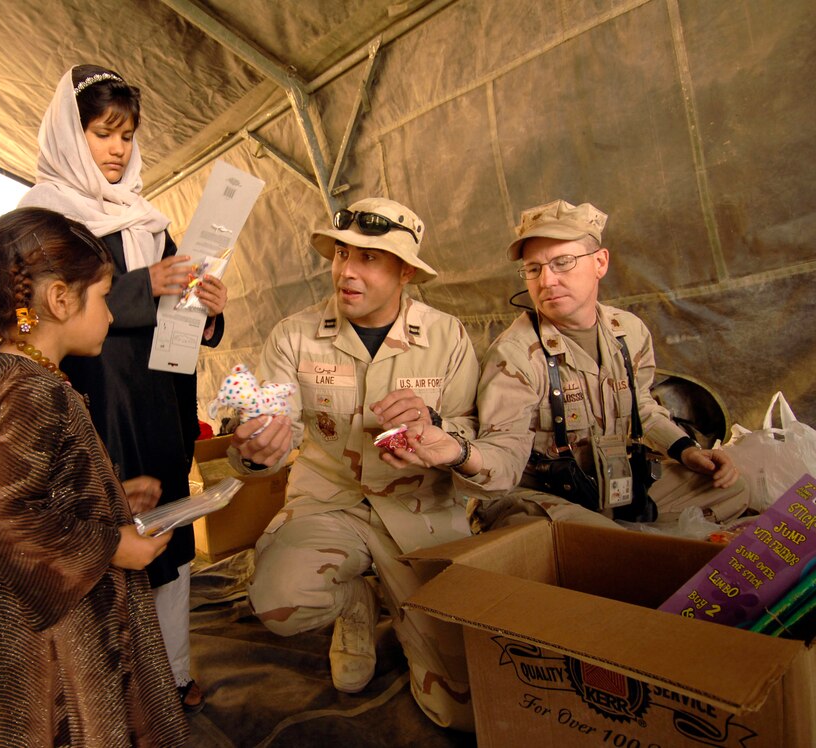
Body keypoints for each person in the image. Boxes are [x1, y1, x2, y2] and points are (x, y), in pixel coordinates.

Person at [19, 64, 226, 712]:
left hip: (160, 399)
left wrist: (207, 309)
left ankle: (175, 675)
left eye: (127, 135)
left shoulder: (148, 219)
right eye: (102, 133)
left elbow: (181, 320)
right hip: (95, 407)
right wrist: (146, 287)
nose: (117, 148)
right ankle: (112, 690)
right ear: (67, 135)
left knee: (170, 536)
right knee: (107, 539)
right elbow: (31, 314)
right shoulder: (40, 221)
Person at [231, 197, 482, 730]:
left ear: (406, 272)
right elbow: (270, 429)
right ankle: (354, 607)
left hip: (420, 510)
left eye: (369, 258)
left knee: (456, 713)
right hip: (330, 500)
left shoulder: (448, 337)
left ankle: (407, 607)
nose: (346, 271)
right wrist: (254, 454)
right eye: (341, 253)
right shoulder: (294, 335)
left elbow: (470, 433)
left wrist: (435, 427)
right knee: (279, 601)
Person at [0, 206, 188, 747]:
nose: (109, 315)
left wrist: (107, 495)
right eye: (103, 297)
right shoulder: (33, 390)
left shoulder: (15, 373)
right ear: (60, 299)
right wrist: (109, 545)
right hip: (60, 655)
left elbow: (34, 488)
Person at [383, 199, 748, 527]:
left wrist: (686, 451)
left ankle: (627, 537)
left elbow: (644, 408)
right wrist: (461, 453)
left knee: (734, 488)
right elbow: (504, 451)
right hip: (543, 496)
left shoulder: (629, 333)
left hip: (613, 482)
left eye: (563, 263)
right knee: (593, 539)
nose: (547, 280)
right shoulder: (515, 354)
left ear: (600, 263)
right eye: (534, 269)